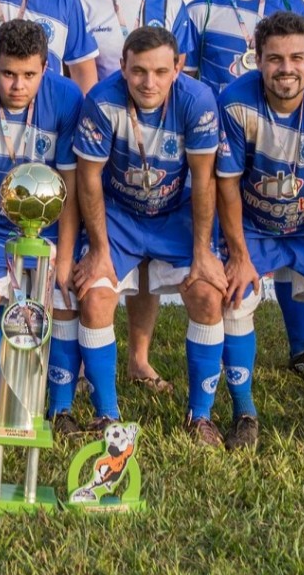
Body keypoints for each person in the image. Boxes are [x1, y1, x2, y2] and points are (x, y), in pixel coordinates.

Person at [174, 0, 304, 376]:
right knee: (235, 244)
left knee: (291, 238)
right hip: (221, 149)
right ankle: (234, 352)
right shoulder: (199, 10)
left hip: (281, 144)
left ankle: (301, 349)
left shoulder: (292, 5)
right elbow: (185, 85)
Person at [73, 26, 228, 444]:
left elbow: (205, 178)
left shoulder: (197, 101)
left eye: (161, 71)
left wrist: (202, 252)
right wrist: (101, 250)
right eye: (138, 71)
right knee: (94, 294)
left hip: (174, 214)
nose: (149, 82)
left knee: (208, 294)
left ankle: (200, 416)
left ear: (178, 67)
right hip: (119, 215)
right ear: (122, 66)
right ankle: (107, 415)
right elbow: (87, 179)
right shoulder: (102, 101)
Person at [213, 12, 304, 451]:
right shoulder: (235, 100)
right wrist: (238, 255)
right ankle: (244, 414)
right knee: (233, 297)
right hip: (255, 225)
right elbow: (227, 184)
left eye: (297, 57)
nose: (287, 68)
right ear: (257, 60)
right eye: (275, 59)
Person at [0, 18, 84, 435]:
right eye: (8, 74)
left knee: (63, 295)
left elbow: (73, 189)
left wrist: (66, 254)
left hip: (52, 225)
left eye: (29, 75)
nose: (18, 85)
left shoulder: (67, 98)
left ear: (46, 68)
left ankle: (61, 409)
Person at [77, 0, 187, 393]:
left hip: (156, 141)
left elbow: (180, 75)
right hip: (101, 136)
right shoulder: (82, 0)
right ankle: (83, 362)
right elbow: (73, 71)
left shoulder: (172, 2)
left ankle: (139, 358)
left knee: (146, 264)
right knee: (96, 254)